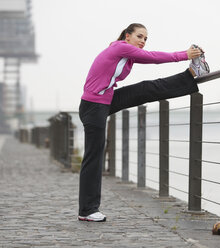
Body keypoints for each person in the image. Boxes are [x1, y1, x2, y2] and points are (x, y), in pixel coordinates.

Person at [78, 23, 209, 222]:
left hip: (105, 100)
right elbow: (153, 58)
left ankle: (192, 73)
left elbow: (148, 58)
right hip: (93, 106)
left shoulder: (126, 55)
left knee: (145, 89)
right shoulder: (120, 48)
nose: (143, 41)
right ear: (127, 36)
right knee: (93, 159)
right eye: (139, 36)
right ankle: (87, 210)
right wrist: (185, 53)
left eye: (146, 38)